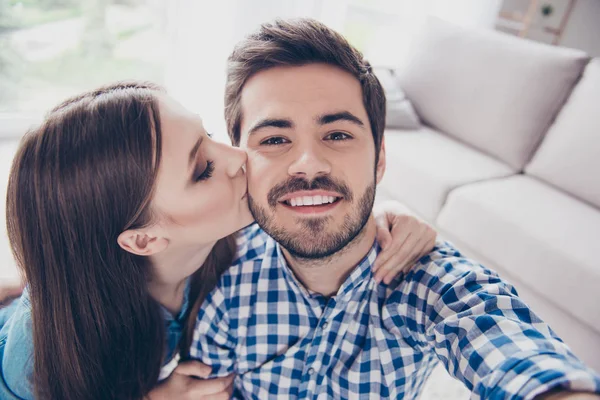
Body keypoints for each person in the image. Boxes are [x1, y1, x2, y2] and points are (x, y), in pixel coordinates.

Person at [190, 18, 600, 399]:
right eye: (276, 140)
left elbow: (508, 345)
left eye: (336, 134)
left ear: (380, 159)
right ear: (240, 160)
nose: (308, 164)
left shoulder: (431, 285)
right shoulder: (219, 265)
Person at [0, 82, 435, 399]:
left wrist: (383, 214)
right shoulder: (40, 355)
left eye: (208, 136)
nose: (238, 156)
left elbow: (319, 206)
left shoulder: (232, 237)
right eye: (202, 169)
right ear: (145, 240)